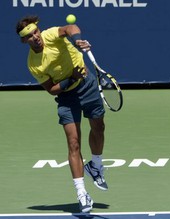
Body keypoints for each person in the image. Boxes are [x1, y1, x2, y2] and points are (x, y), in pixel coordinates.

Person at [16, 15, 108, 213]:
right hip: (67, 97)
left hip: (87, 85)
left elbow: (70, 27)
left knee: (98, 127)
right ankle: (81, 193)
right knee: (73, 142)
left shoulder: (49, 35)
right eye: (29, 36)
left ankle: (96, 165)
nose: (35, 37)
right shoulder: (33, 64)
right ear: (24, 41)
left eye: (35, 32)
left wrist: (77, 41)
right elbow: (51, 89)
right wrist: (70, 79)